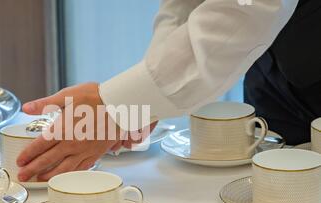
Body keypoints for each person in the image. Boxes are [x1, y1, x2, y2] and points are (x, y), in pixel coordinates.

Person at [16, 0, 319, 182]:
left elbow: (245, 9)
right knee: (279, 190)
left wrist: (118, 104)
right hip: (272, 61)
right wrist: (147, 98)